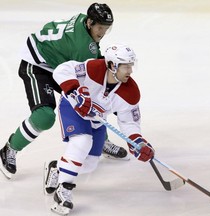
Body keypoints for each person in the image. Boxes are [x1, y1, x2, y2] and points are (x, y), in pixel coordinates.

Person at [0, 3, 129, 179]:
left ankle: (101, 141)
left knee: (91, 99)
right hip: (37, 65)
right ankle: (10, 148)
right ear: (90, 23)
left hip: (60, 64)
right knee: (44, 117)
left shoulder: (84, 24)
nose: (103, 33)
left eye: (106, 28)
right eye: (100, 28)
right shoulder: (82, 46)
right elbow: (92, 74)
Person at [44, 44, 155, 215]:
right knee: (82, 141)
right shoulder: (92, 68)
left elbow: (128, 122)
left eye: (131, 65)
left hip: (97, 119)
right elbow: (61, 70)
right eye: (126, 66)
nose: (130, 71)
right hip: (73, 107)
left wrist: (136, 141)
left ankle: (57, 168)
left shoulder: (131, 92)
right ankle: (64, 190)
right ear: (112, 65)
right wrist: (75, 92)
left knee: (89, 163)